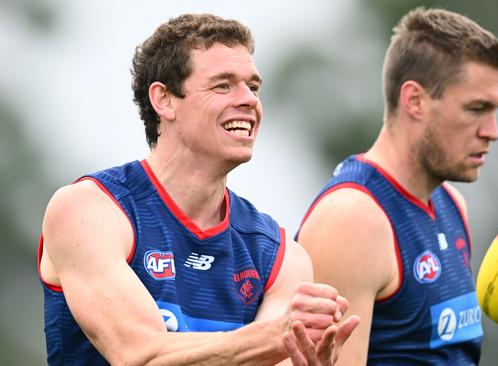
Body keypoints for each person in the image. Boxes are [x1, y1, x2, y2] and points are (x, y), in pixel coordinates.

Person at [37, 13, 359, 365]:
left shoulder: (281, 256)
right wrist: (274, 338)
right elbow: (139, 355)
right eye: (223, 85)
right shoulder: (89, 210)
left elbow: (274, 351)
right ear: (164, 100)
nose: (248, 99)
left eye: (253, 87)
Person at [296, 7, 498, 365]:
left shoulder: (451, 203)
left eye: (496, 109)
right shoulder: (352, 221)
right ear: (414, 100)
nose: (493, 131)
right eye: (476, 109)